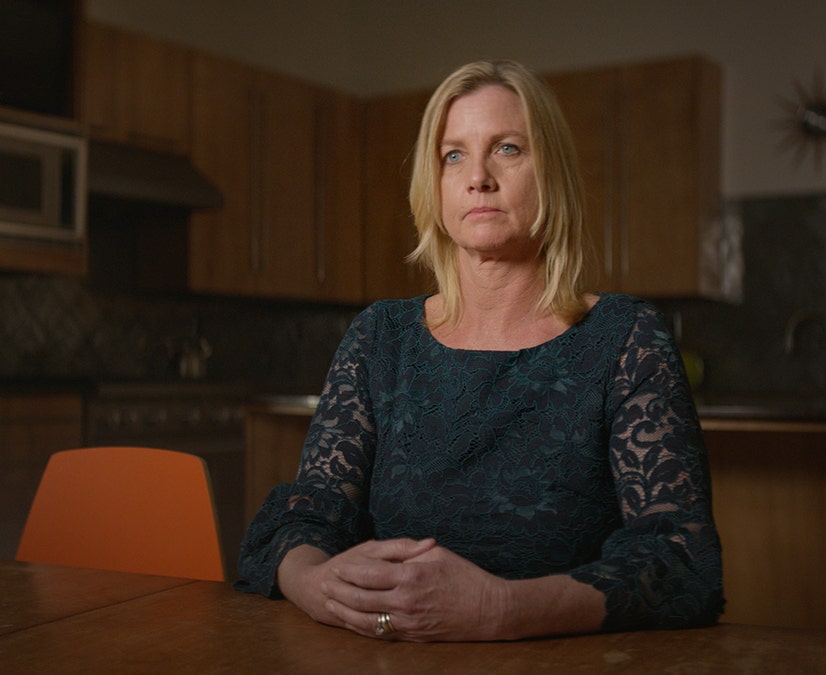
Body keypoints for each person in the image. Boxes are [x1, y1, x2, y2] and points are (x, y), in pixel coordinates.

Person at [235, 59, 724, 642]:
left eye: (508, 149)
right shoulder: (379, 338)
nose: (479, 178)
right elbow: (308, 517)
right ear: (434, 185)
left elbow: (679, 560)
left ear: (553, 174)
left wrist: (500, 609)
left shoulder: (626, 339)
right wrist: (316, 586)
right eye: (454, 155)